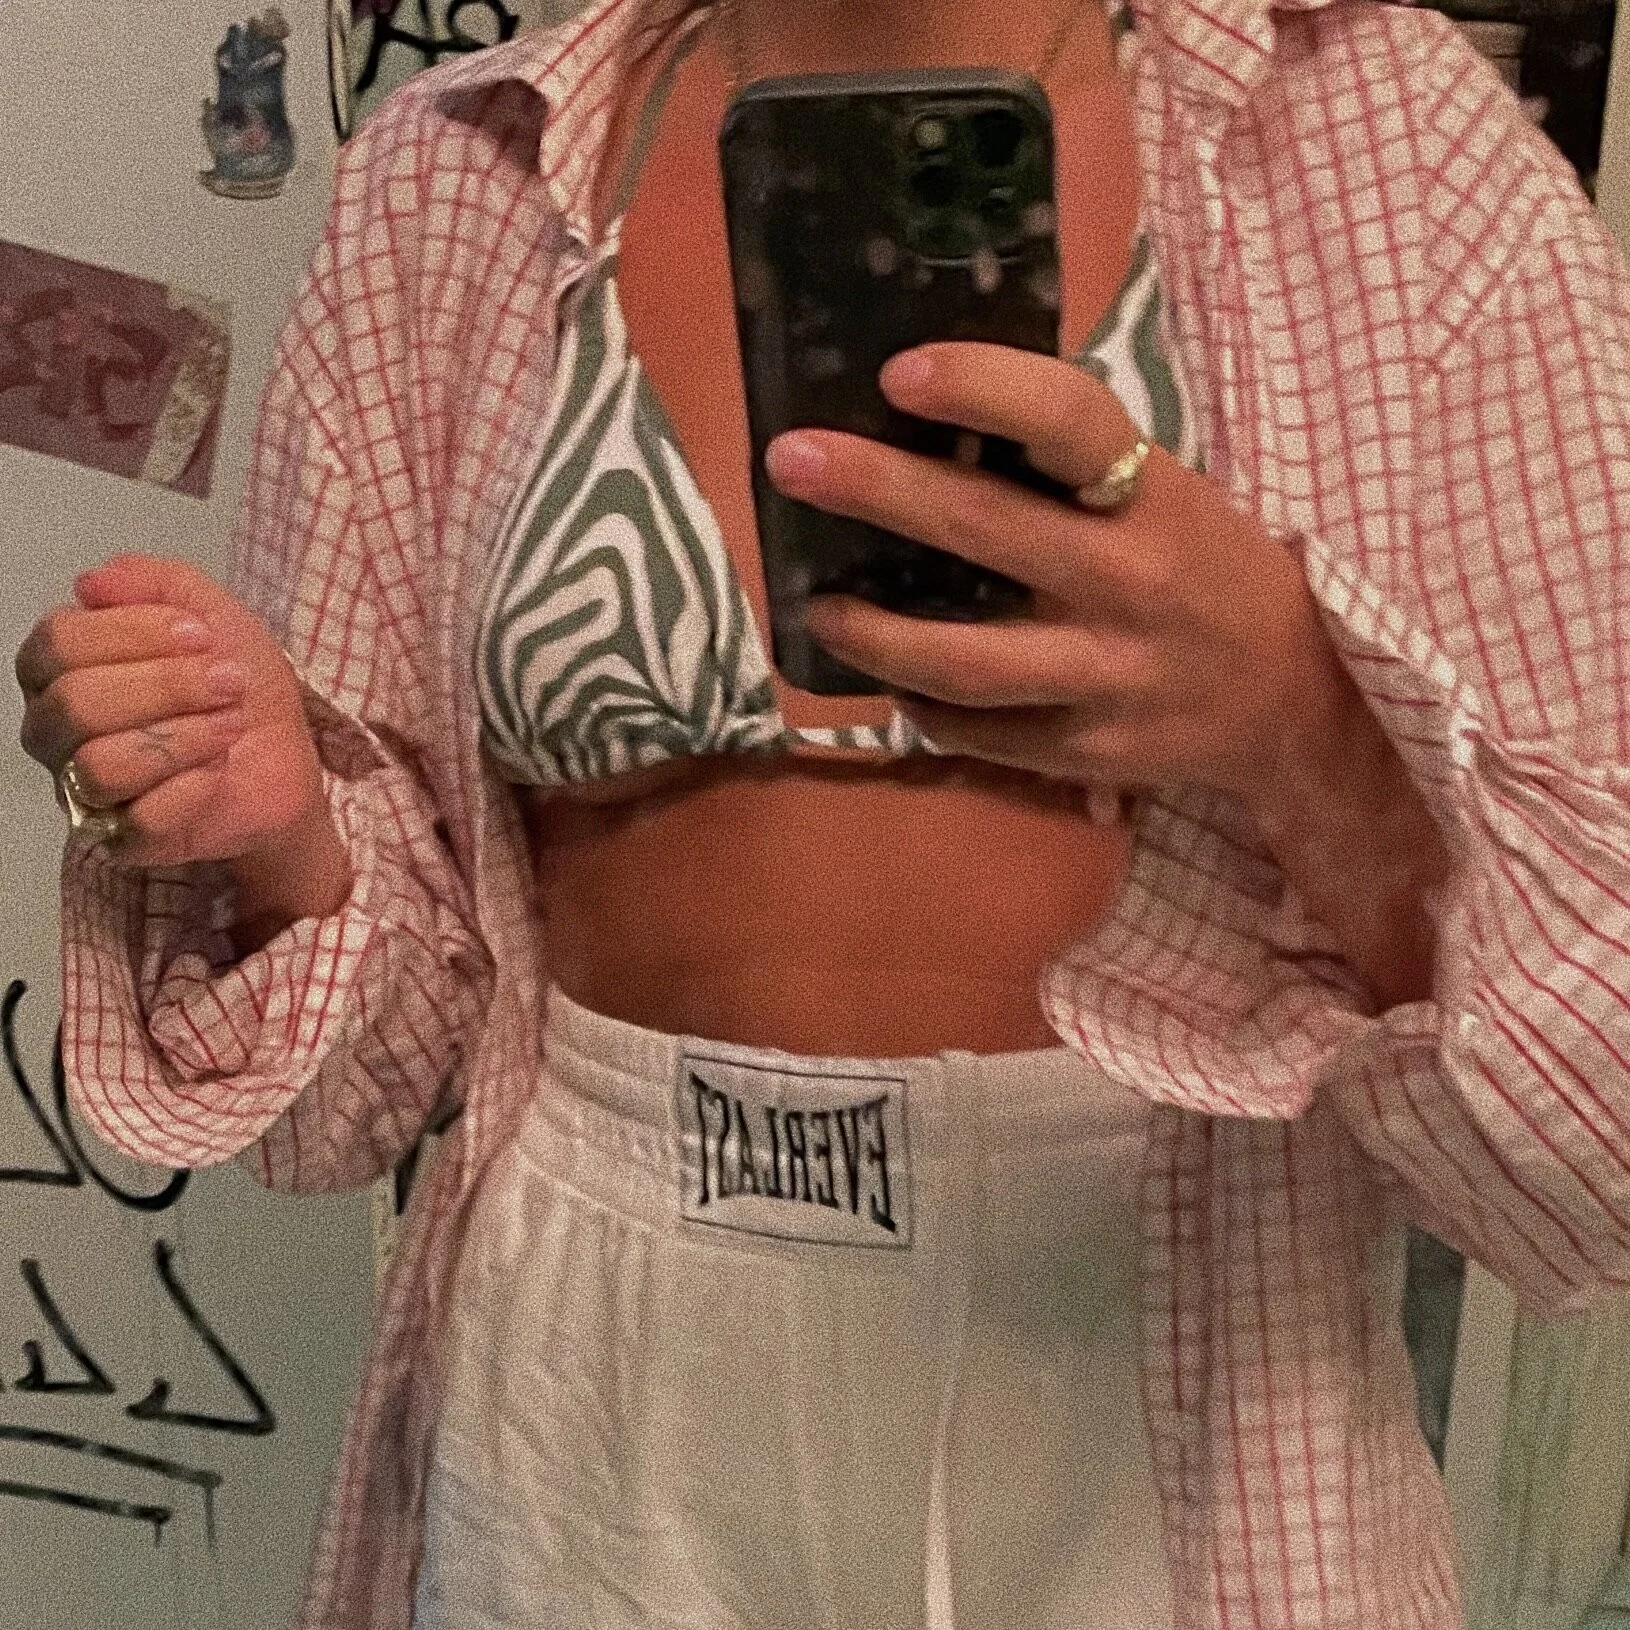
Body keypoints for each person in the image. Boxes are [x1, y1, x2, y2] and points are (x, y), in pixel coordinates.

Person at [13, 0, 1630, 1620]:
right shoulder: (451, 182)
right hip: (590, 1377)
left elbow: (1593, 1156)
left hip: (1180, 1381)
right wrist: (278, 832)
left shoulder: (1383, 151)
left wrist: (1304, 724)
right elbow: (354, 1103)